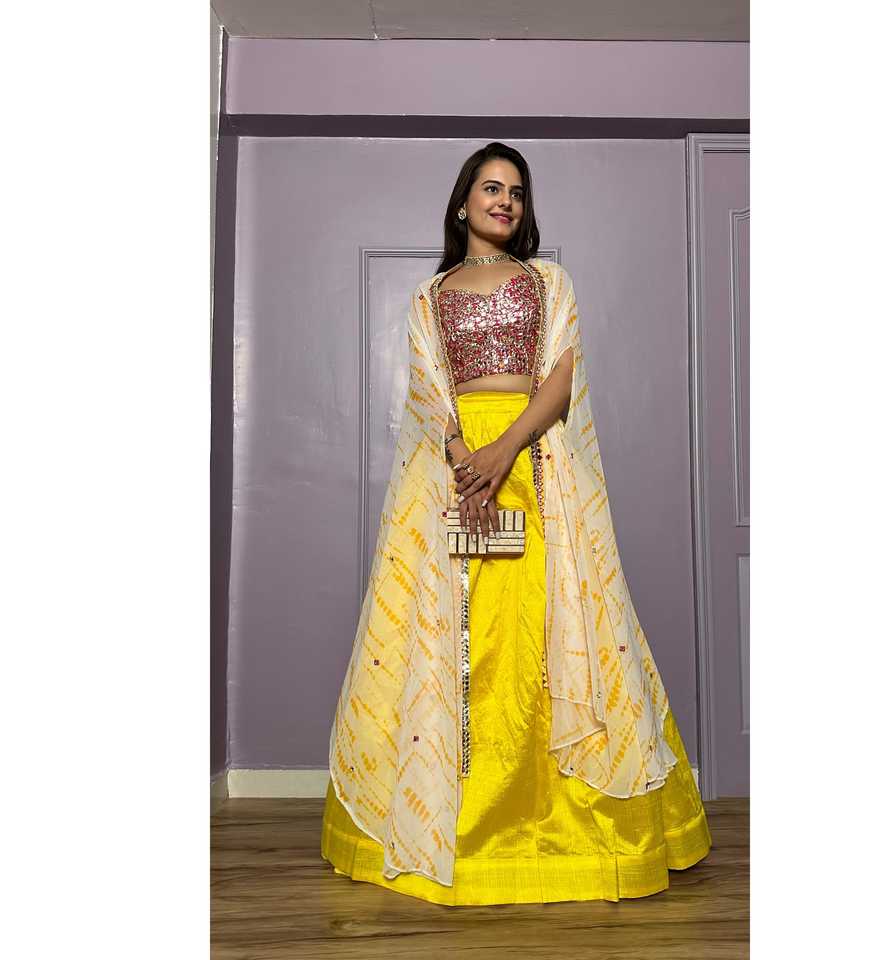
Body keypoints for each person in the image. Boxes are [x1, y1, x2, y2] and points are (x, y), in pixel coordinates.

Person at [320, 142, 712, 906]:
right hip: (457, 474)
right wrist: (465, 461)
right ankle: (454, 830)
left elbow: (560, 380)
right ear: (463, 202)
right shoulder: (429, 296)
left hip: (535, 465)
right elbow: (429, 392)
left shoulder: (547, 282)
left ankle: (558, 833)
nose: (505, 201)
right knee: (457, 639)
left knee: (547, 633)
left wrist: (503, 450)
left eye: (517, 192)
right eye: (492, 188)